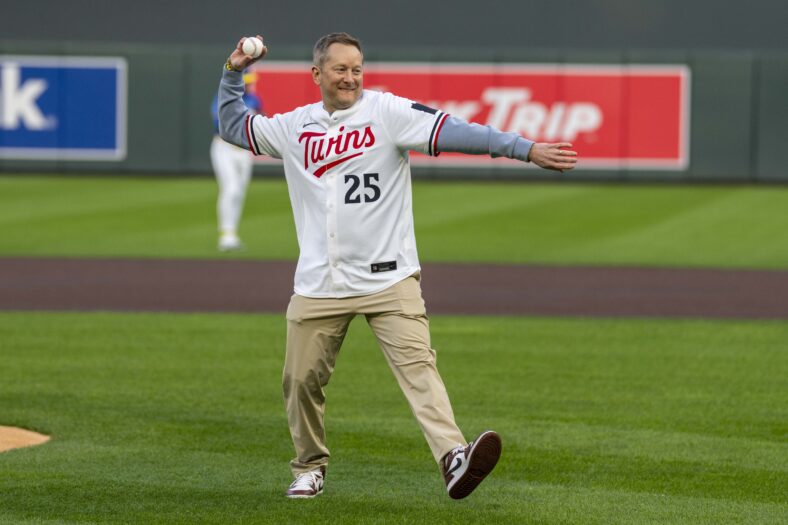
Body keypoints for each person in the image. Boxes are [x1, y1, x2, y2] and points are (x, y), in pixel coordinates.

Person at [218, 32, 578, 500]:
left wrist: (524, 149)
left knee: (418, 369)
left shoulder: (387, 111)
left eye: (357, 68)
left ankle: (453, 457)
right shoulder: (292, 127)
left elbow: (457, 131)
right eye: (340, 69)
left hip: (390, 277)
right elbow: (233, 126)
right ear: (317, 74)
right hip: (319, 283)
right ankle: (309, 466)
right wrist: (232, 72)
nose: (350, 77)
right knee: (300, 379)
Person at [210, 71, 262, 251]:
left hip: (244, 152)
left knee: (239, 192)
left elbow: (261, 121)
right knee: (230, 189)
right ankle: (226, 235)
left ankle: (232, 234)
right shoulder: (224, 99)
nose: (249, 85)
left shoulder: (254, 100)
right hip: (224, 148)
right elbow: (218, 123)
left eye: (250, 82)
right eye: (246, 82)